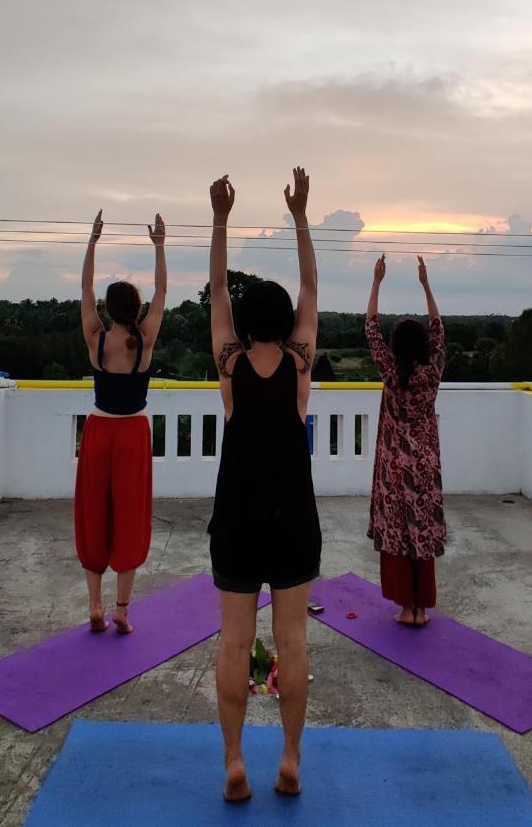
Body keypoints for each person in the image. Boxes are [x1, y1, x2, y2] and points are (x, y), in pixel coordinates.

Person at [206, 170, 321, 803]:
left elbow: (217, 287)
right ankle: (291, 759)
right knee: (293, 642)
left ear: (245, 326)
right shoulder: (301, 365)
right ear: (286, 323)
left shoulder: (229, 365)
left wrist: (221, 218)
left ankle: (232, 762)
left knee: (233, 643)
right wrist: (299, 215)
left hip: (237, 519)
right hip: (293, 517)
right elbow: (310, 284)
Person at [73, 209, 166, 635]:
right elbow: (163, 289)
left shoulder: (96, 338)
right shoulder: (143, 340)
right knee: (129, 514)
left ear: (108, 309)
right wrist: (160, 246)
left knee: (94, 512)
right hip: (131, 433)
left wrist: (92, 241)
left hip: (98, 431)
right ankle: (122, 609)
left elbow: (85, 286)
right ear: (138, 308)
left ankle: (94, 604)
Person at [365, 253, 446, 626]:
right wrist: (426, 283)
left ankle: (405, 608)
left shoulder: (391, 373)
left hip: (394, 471)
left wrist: (377, 282)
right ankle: (421, 609)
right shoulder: (431, 373)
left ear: (396, 347)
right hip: (425, 468)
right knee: (421, 535)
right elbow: (439, 326)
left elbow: (370, 327)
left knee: (399, 536)